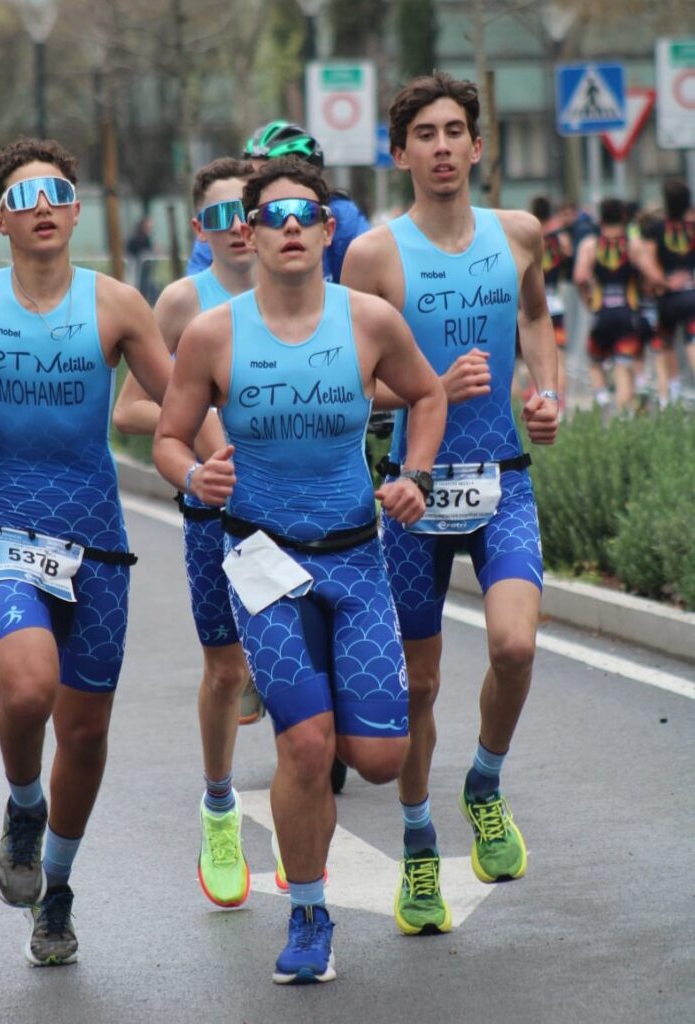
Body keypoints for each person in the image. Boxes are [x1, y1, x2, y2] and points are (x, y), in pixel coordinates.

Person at [153, 157, 447, 983]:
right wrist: (192, 475)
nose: (289, 226)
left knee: (378, 758)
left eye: (305, 214)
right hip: (261, 561)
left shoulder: (370, 320)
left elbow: (426, 397)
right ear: (246, 233)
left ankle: (322, 854)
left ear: (326, 231)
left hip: (356, 559)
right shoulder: (213, 333)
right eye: (272, 215)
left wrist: (412, 477)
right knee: (307, 747)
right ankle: (309, 911)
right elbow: (169, 436)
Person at [0, 138, 172, 966]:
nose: (43, 205)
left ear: (77, 208)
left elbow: (178, 396)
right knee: (29, 691)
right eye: (25, 197)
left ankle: (54, 889)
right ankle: (24, 805)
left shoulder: (119, 304)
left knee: (85, 735)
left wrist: (221, 459)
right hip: (5, 523)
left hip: (96, 534)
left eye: (57, 191)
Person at [342, 71, 560, 938]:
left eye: (453, 131)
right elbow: (351, 387)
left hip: (502, 473)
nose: (440, 146)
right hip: (414, 491)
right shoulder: (373, 256)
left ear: (477, 145)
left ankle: (485, 783)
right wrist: (427, 387)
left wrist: (545, 392)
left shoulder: (518, 234)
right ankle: (419, 845)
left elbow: (536, 316)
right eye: (422, 134)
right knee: (420, 684)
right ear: (399, 154)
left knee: (513, 644)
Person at [112, 157, 262, 910]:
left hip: (305, 514)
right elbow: (131, 411)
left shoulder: (316, 292)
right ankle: (218, 807)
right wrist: (202, 441)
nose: (238, 226)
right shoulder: (179, 303)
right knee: (227, 672)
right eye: (219, 215)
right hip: (215, 511)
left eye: (249, 210)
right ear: (199, 229)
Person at [186, 121, 371, 283]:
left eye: (270, 175)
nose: (257, 185)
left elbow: (368, 277)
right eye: (251, 175)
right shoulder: (225, 223)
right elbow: (200, 284)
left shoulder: (341, 214)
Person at [573, 197, 662, 414]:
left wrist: (588, 300)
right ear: (624, 217)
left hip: (601, 313)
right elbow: (654, 276)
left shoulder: (590, 245)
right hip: (627, 314)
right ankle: (623, 418)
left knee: (594, 361)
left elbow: (579, 277)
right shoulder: (633, 245)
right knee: (624, 367)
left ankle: (602, 398)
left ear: (600, 219)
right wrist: (652, 286)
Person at [640, 178, 695, 398]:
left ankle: (672, 392)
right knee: (692, 339)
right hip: (691, 293)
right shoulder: (692, 227)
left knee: (666, 342)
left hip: (667, 297)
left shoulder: (656, 228)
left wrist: (663, 281)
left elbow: (646, 261)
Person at [529, 195, 572, 412]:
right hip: (555, 302)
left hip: (532, 303)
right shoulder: (560, 239)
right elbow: (568, 257)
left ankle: (534, 397)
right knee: (559, 357)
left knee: (532, 357)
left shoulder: (528, 238)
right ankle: (559, 403)